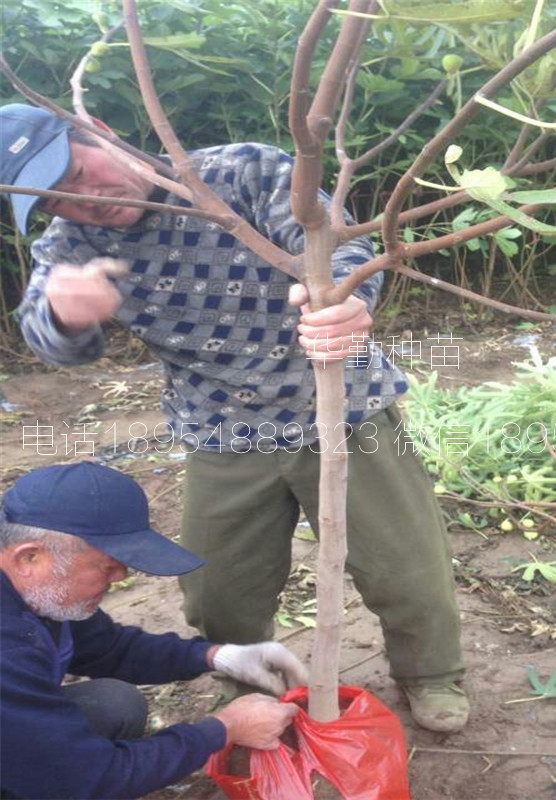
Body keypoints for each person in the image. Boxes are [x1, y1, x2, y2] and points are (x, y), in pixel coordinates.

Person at [1, 102, 468, 734]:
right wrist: (65, 316)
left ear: (102, 132)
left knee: (404, 563)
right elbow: (50, 340)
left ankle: (430, 674)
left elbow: (330, 240)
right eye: (57, 200)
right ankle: (243, 674)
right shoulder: (73, 245)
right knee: (220, 586)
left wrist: (343, 301)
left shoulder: (240, 172)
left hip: (345, 404)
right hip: (223, 426)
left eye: (78, 172)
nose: (84, 200)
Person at [0, 461, 307, 800]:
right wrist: (224, 729)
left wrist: (217, 656)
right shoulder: (7, 648)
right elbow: (93, 777)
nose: (122, 577)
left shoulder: (36, 591)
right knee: (75, 774)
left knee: (113, 705)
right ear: (29, 558)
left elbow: (109, 649)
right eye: (107, 566)